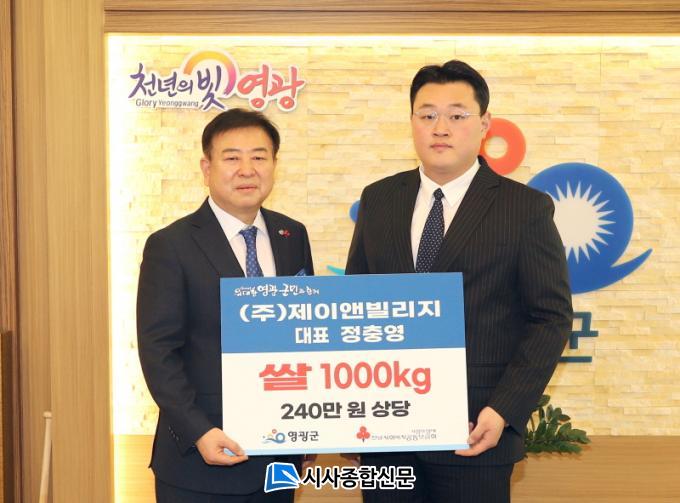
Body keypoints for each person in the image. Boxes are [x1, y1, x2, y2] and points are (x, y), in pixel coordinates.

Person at [345, 60, 573, 503]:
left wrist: (503, 410)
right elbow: (357, 306)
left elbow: (551, 318)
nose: (440, 128)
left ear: (484, 124)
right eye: (427, 114)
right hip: (386, 432)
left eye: (456, 115)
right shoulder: (379, 199)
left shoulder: (525, 208)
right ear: (412, 121)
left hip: (476, 430)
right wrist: (350, 416)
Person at [137, 108, 314, 502]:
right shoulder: (171, 245)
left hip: (278, 458)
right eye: (232, 157)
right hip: (201, 461)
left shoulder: (292, 235)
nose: (247, 169)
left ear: (274, 164)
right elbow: (158, 353)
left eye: (259, 156)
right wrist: (199, 431)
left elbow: (303, 336)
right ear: (207, 168)